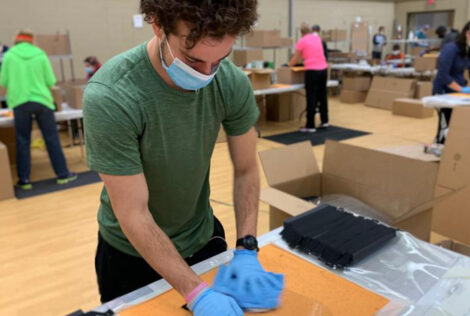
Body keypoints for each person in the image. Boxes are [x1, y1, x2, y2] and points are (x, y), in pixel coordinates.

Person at [83, 1, 284, 315]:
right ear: (157, 26)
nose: (206, 74)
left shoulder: (230, 82)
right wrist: (198, 294)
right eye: (192, 59)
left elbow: (246, 170)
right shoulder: (112, 95)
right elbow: (133, 212)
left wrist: (247, 249)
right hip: (129, 254)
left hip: (201, 237)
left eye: (220, 59)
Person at [0, 30, 77, 190]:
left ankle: (24, 180)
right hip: (42, 101)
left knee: (22, 141)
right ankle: (62, 175)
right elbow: (50, 80)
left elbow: (3, 81)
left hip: (20, 103)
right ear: (31, 41)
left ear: (16, 41)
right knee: (51, 139)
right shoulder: (40, 54)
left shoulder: (9, 56)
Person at [433, 21, 470, 144]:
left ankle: (451, 149)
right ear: (467, 33)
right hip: (443, 92)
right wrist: (461, 89)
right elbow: (443, 75)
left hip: (457, 93)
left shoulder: (467, 50)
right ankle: (439, 146)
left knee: (456, 124)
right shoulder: (450, 49)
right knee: (445, 125)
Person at [288, 23, 328, 132]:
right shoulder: (317, 39)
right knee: (322, 96)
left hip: (312, 71)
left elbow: (296, 58)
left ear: (301, 33)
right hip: (323, 70)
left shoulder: (301, 41)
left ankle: (310, 126)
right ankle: (325, 121)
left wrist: (288, 65)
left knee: (311, 97)